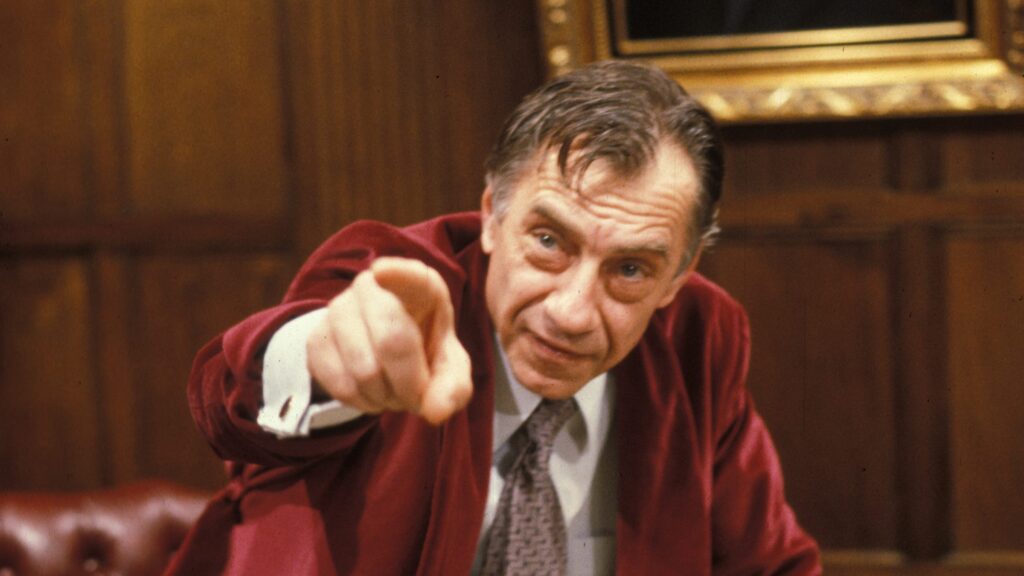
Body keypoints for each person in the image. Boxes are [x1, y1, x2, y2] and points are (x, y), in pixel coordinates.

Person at [168, 60, 821, 575]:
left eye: (630, 270)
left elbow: (769, 563)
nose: (570, 313)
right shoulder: (400, 286)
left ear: (679, 275)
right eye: (549, 241)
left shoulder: (700, 338)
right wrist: (324, 360)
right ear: (490, 216)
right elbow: (230, 397)